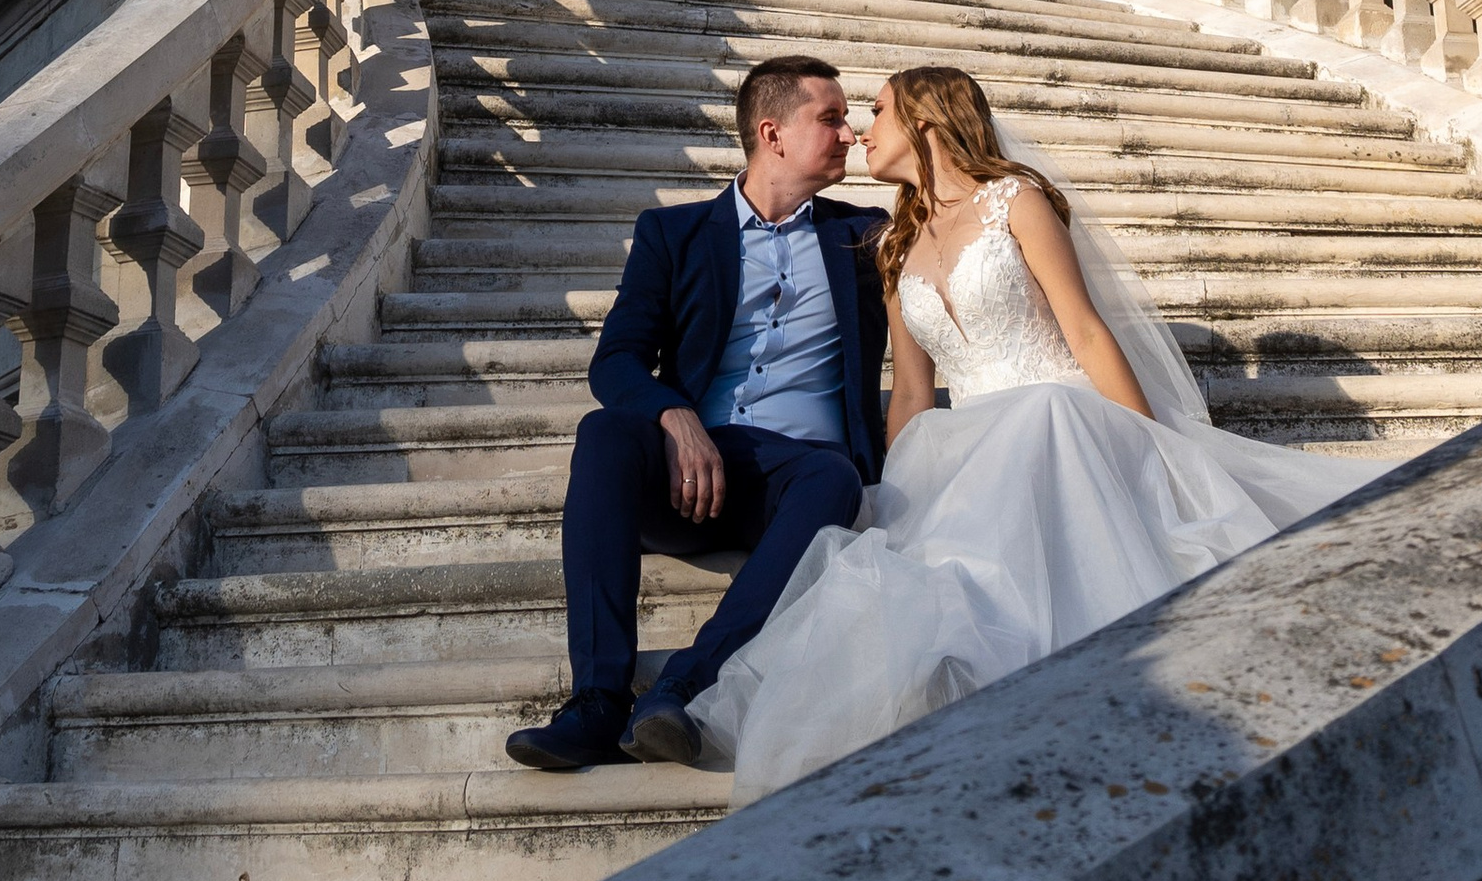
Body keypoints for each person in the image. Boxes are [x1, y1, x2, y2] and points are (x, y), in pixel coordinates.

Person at [687, 62, 1386, 803]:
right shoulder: (897, 244)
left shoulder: (1015, 202)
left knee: (1039, 421)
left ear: (926, 123)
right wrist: (898, 497)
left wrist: (1156, 446)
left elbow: (1084, 330)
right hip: (970, 447)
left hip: (1069, 421)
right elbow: (915, 395)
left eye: (880, 112)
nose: (863, 128)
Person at [506, 52, 889, 775]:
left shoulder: (864, 236)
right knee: (605, 431)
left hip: (794, 480)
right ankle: (595, 702)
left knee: (834, 478)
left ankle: (685, 685)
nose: (850, 135)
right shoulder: (672, 235)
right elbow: (615, 361)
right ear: (772, 134)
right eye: (831, 119)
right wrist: (675, 416)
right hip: (690, 470)